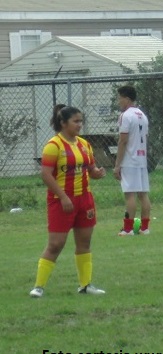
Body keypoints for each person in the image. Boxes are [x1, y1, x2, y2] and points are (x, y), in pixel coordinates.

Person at [29, 105, 107, 298]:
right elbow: (46, 175)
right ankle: (39, 286)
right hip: (61, 201)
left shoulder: (84, 144)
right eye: (75, 121)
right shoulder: (53, 146)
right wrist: (63, 196)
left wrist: (97, 174)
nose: (79, 125)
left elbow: (90, 169)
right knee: (56, 244)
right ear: (63, 123)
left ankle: (85, 285)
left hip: (84, 200)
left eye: (81, 121)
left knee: (84, 242)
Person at [114, 85, 151, 236]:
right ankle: (145, 228)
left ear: (127, 99)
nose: (119, 102)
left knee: (129, 194)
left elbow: (123, 141)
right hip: (141, 159)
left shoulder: (126, 115)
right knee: (143, 194)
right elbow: (145, 137)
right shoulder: (142, 115)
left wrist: (117, 165)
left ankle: (128, 229)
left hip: (130, 160)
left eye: (120, 98)